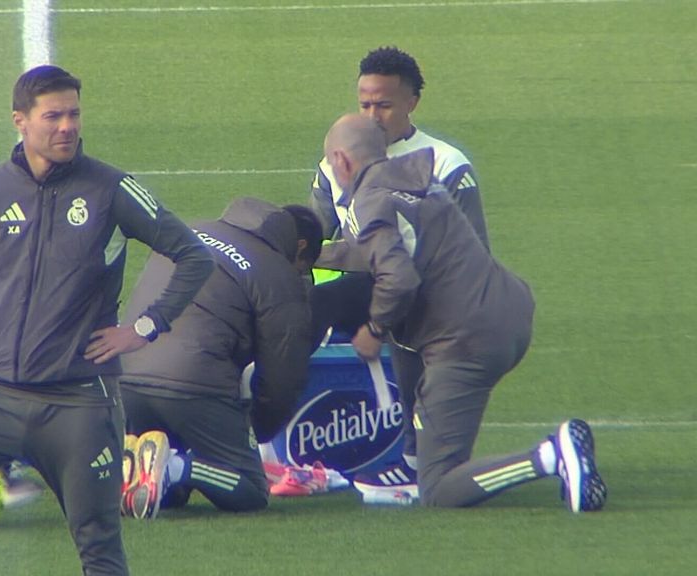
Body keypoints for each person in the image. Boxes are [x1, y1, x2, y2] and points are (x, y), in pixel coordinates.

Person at [0, 65, 214, 576]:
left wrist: (143, 328)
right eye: (53, 116)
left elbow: (193, 256)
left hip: (79, 405)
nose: (67, 126)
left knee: (97, 542)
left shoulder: (111, 189)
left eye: (73, 114)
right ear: (20, 122)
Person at [320, 114, 607, 512]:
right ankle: (413, 460)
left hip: (467, 339)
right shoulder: (417, 181)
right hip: (507, 309)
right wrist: (311, 254)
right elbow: (377, 249)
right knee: (406, 341)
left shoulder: (369, 199)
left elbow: (398, 279)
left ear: (341, 160)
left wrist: (373, 327)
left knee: (439, 490)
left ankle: (549, 456)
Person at [308, 47, 492, 500]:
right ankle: (281, 437)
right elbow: (313, 236)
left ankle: (420, 460)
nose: (372, 115)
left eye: (384, 104)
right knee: (290, 306)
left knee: (415, 345)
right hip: (373, 285)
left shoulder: (446, 164)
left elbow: (473, 254)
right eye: (365, 103)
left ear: (412, 103)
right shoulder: (339, 159)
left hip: (427, 298)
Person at [119, 198, 323, 519]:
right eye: (304, 269)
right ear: (299, 248)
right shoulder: (277, 273)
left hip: (127, 375)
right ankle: (175, 465)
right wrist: (260, 428)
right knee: (250, 488)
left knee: (171, 497)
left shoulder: (189, 230)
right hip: (192, 386)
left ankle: (132, 458)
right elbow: (284, 373)